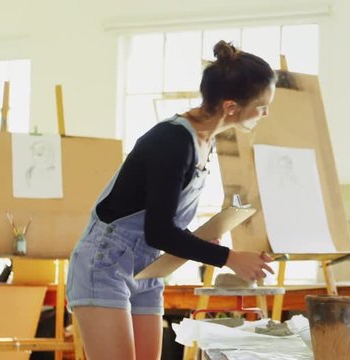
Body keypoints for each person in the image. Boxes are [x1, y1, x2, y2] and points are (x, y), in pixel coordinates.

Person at [66, 41, 277, 360]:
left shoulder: (206, 140)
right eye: (262, 105)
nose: (266, 113)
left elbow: (160, 219)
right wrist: (229, 257)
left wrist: (198, 238)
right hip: (105, 264)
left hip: (148, 268)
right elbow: (160, 232)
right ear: (231, 106)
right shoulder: (173, 140)